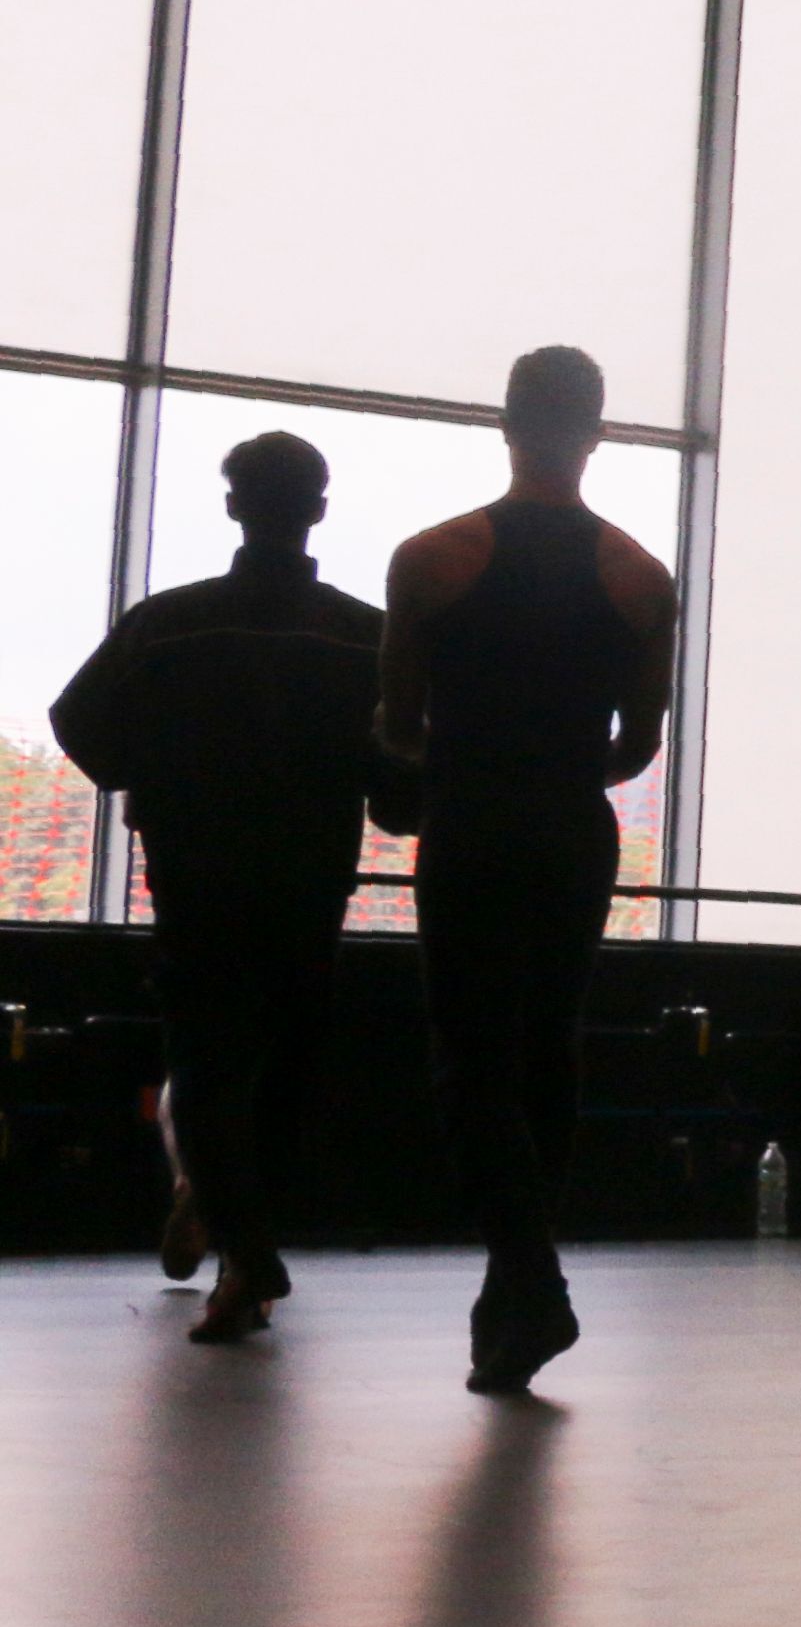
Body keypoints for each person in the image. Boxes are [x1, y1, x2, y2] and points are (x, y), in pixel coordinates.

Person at [381, 349, 677, 1396]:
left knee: (470, 1058)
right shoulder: (641, 577)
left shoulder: (432, 558)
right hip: (570, 825)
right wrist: (561, 764)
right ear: (598, 431)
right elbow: (638, 744)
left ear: (505, 422)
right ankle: (513, 1295)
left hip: (473, 817)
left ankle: (530, 1282)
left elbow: (398, 725)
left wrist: (467, 757)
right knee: (548, 1048)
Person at [49, 432, 384, 1346]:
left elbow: (75, 720)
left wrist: (148, 778)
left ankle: (236, 1235)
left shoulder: (169, 624)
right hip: (312, 881)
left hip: (197, 876)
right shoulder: (362, 635)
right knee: (285, 1064)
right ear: (319, 508)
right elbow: (397, 778)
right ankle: (244, 1252)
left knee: (202, 1057)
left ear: (232, 504)